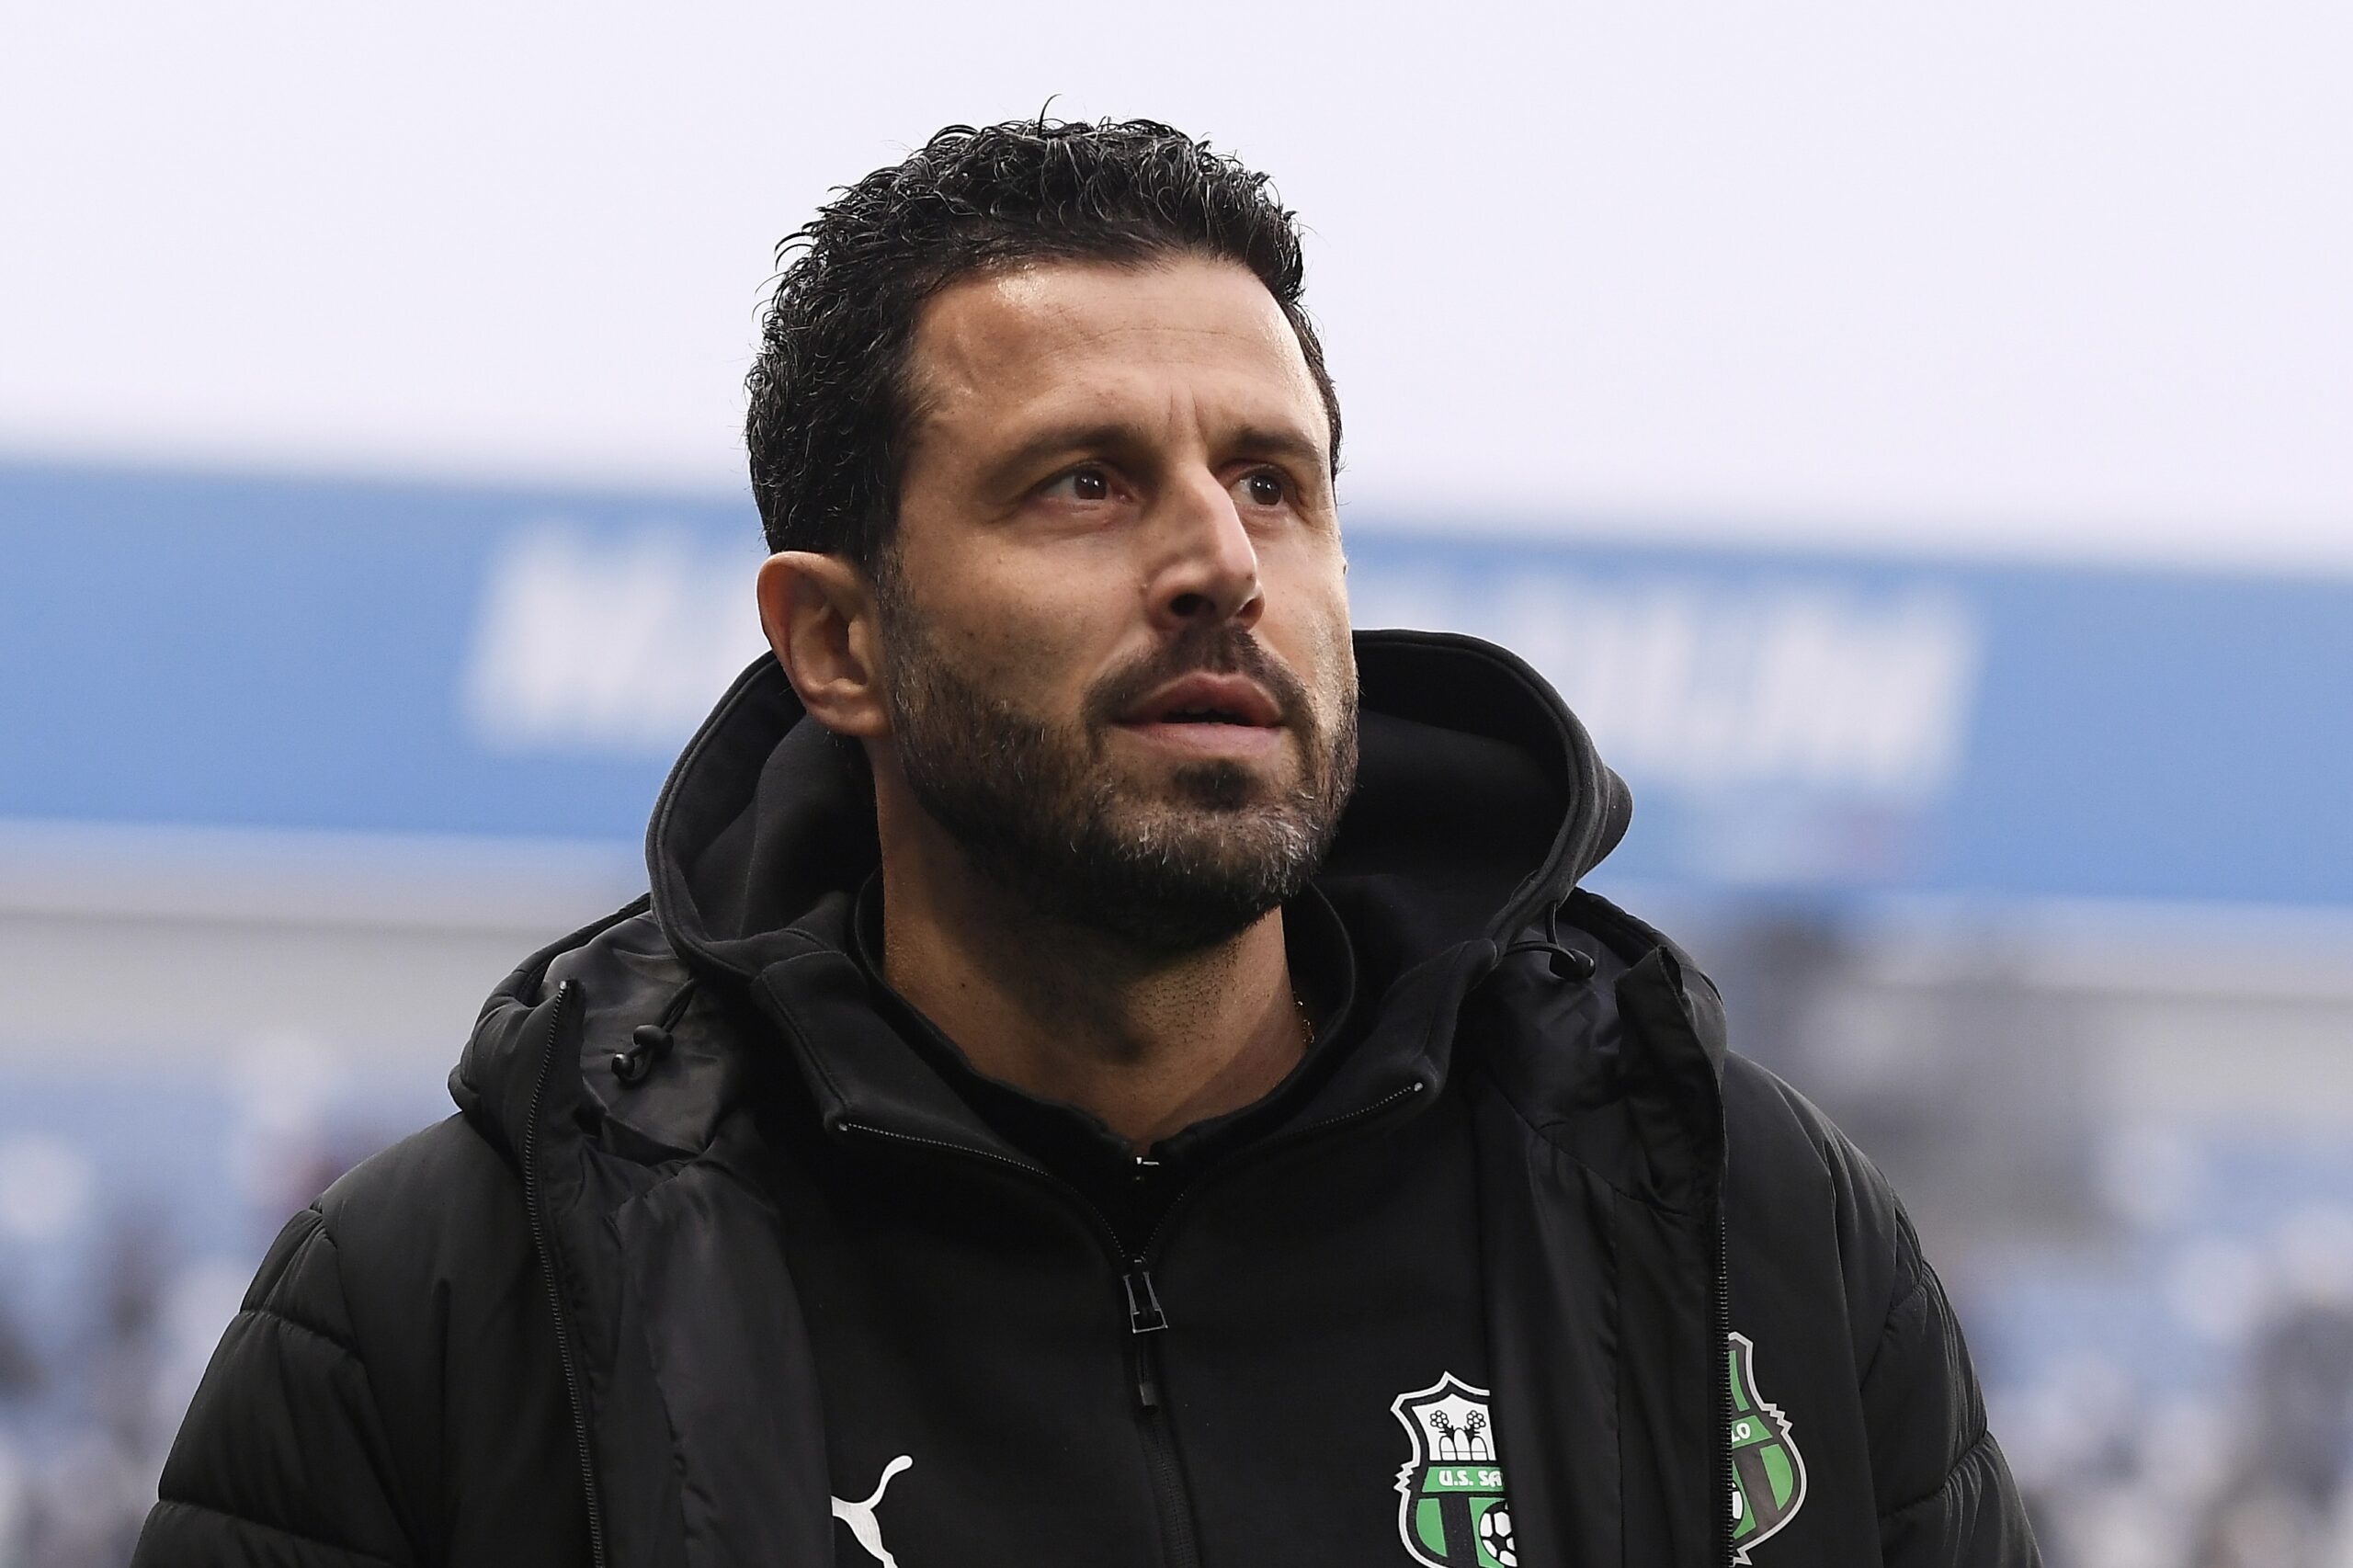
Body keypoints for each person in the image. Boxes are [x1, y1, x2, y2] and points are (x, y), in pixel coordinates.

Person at [133, 118, 2039, 1568]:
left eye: (1271, 483)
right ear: (837, 641)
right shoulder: (456, 1302)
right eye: (1083, 482)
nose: (1217, 561)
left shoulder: (1734, 1217)